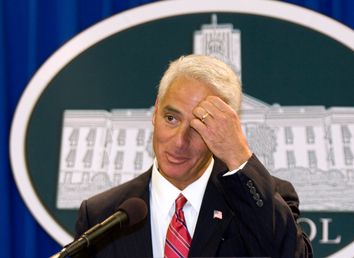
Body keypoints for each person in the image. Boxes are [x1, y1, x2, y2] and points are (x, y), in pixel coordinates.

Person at [75, 54, 313, 257]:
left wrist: (239, 156)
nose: (179, 142)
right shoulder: (101, 216)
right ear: (155, 111)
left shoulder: (261, 202)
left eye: (199, 127)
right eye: (171, 118)